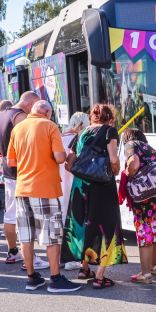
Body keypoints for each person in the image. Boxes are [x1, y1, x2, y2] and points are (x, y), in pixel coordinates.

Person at [7, 100, 81, 292]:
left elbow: (11, 161)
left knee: (26, 236)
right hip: (46, 188)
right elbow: (59, 157)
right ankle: (55, 279)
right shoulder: (50, 126)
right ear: (48, 113)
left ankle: (32, 277)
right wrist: (67, 154)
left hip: (22, 189)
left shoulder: (18, 128)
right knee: (52, 236)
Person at [62, 104, 127, 289]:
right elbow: (114, 159)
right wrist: (114, 171)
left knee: (84, 224)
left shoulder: (81, 133)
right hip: (101, 187)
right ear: (110, 117)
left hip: (80, 186)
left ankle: (84, 268)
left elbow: (69, 162)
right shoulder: (109, 131)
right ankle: (99, 277)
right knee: (106, 227)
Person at [0, 92, 48, 270]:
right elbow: (30, 142)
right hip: (23, 171)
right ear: (28, 103)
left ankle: (13, 251)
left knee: (10, 214)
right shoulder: (20, 116)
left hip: (8, 170)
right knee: (26, 217)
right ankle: (30, 259)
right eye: (33, 105)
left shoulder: (1, 116)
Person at [122, 128, 156, 284]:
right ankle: (155, 266)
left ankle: (145, 273)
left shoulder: (130, 145)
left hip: (146, 196)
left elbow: (134, 164)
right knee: (155, 227)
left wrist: (127, 173)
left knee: (145, 230)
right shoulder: (149, 149)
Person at [59, 112, 90, 271]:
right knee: (74, 221)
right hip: (75, 185)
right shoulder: (79, 140)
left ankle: (59, 255)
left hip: (59, 185)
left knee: (60, 219)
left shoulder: (60, 137)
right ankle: (72, 258)